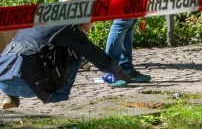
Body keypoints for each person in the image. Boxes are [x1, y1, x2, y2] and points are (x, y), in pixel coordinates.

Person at [0, 20, 130, 111]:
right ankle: (58, 100)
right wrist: (120, 73)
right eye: (87, 29)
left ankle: (9, 96)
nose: (86, 32)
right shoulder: (71, 29)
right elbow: (99, 58)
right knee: (77, 53)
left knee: (23, 54)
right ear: (83, 22)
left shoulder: (36, 22)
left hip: (3, 79)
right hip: (28, 85)